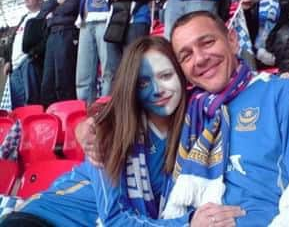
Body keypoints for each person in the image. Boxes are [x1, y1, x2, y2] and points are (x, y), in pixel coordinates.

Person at [0, 36, 243, 227]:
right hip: (46, 218)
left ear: (181, 76)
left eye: (166, 75)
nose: (158, 90)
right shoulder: (109, 132)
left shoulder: (200, 111)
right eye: (143, 83)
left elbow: (238, 91)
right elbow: (115, 220)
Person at [161, 11, 289, 226]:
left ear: (232, 40)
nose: (199, 59)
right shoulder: (190, 113)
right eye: (186, 56)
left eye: (207, 42)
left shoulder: (285, 93)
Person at [75, 0, 123, 104]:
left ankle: (107, 109)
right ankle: (85, 112)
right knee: (83, 74)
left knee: (109, 70)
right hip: (86, 23)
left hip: (105, 20)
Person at [40, 0, 88, 107]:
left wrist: (56, 9)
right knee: (48, 79)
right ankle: (51, 116)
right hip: (54, 34)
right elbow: (45, 9)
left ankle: (69, 114)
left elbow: (71, 7)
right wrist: (56, 2)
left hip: (67, 32)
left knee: (64, 76)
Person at [2, 0, 44, 109]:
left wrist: (33, 55)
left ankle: (33, 125)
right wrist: (7, 60)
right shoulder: (24, 18)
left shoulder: (43, 16)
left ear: (40, 0)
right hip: (14, 67)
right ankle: (20, 127)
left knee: (32, 100)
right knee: (17, 104)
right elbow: (12, 41)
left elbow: (45, 39)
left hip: (28, 62)